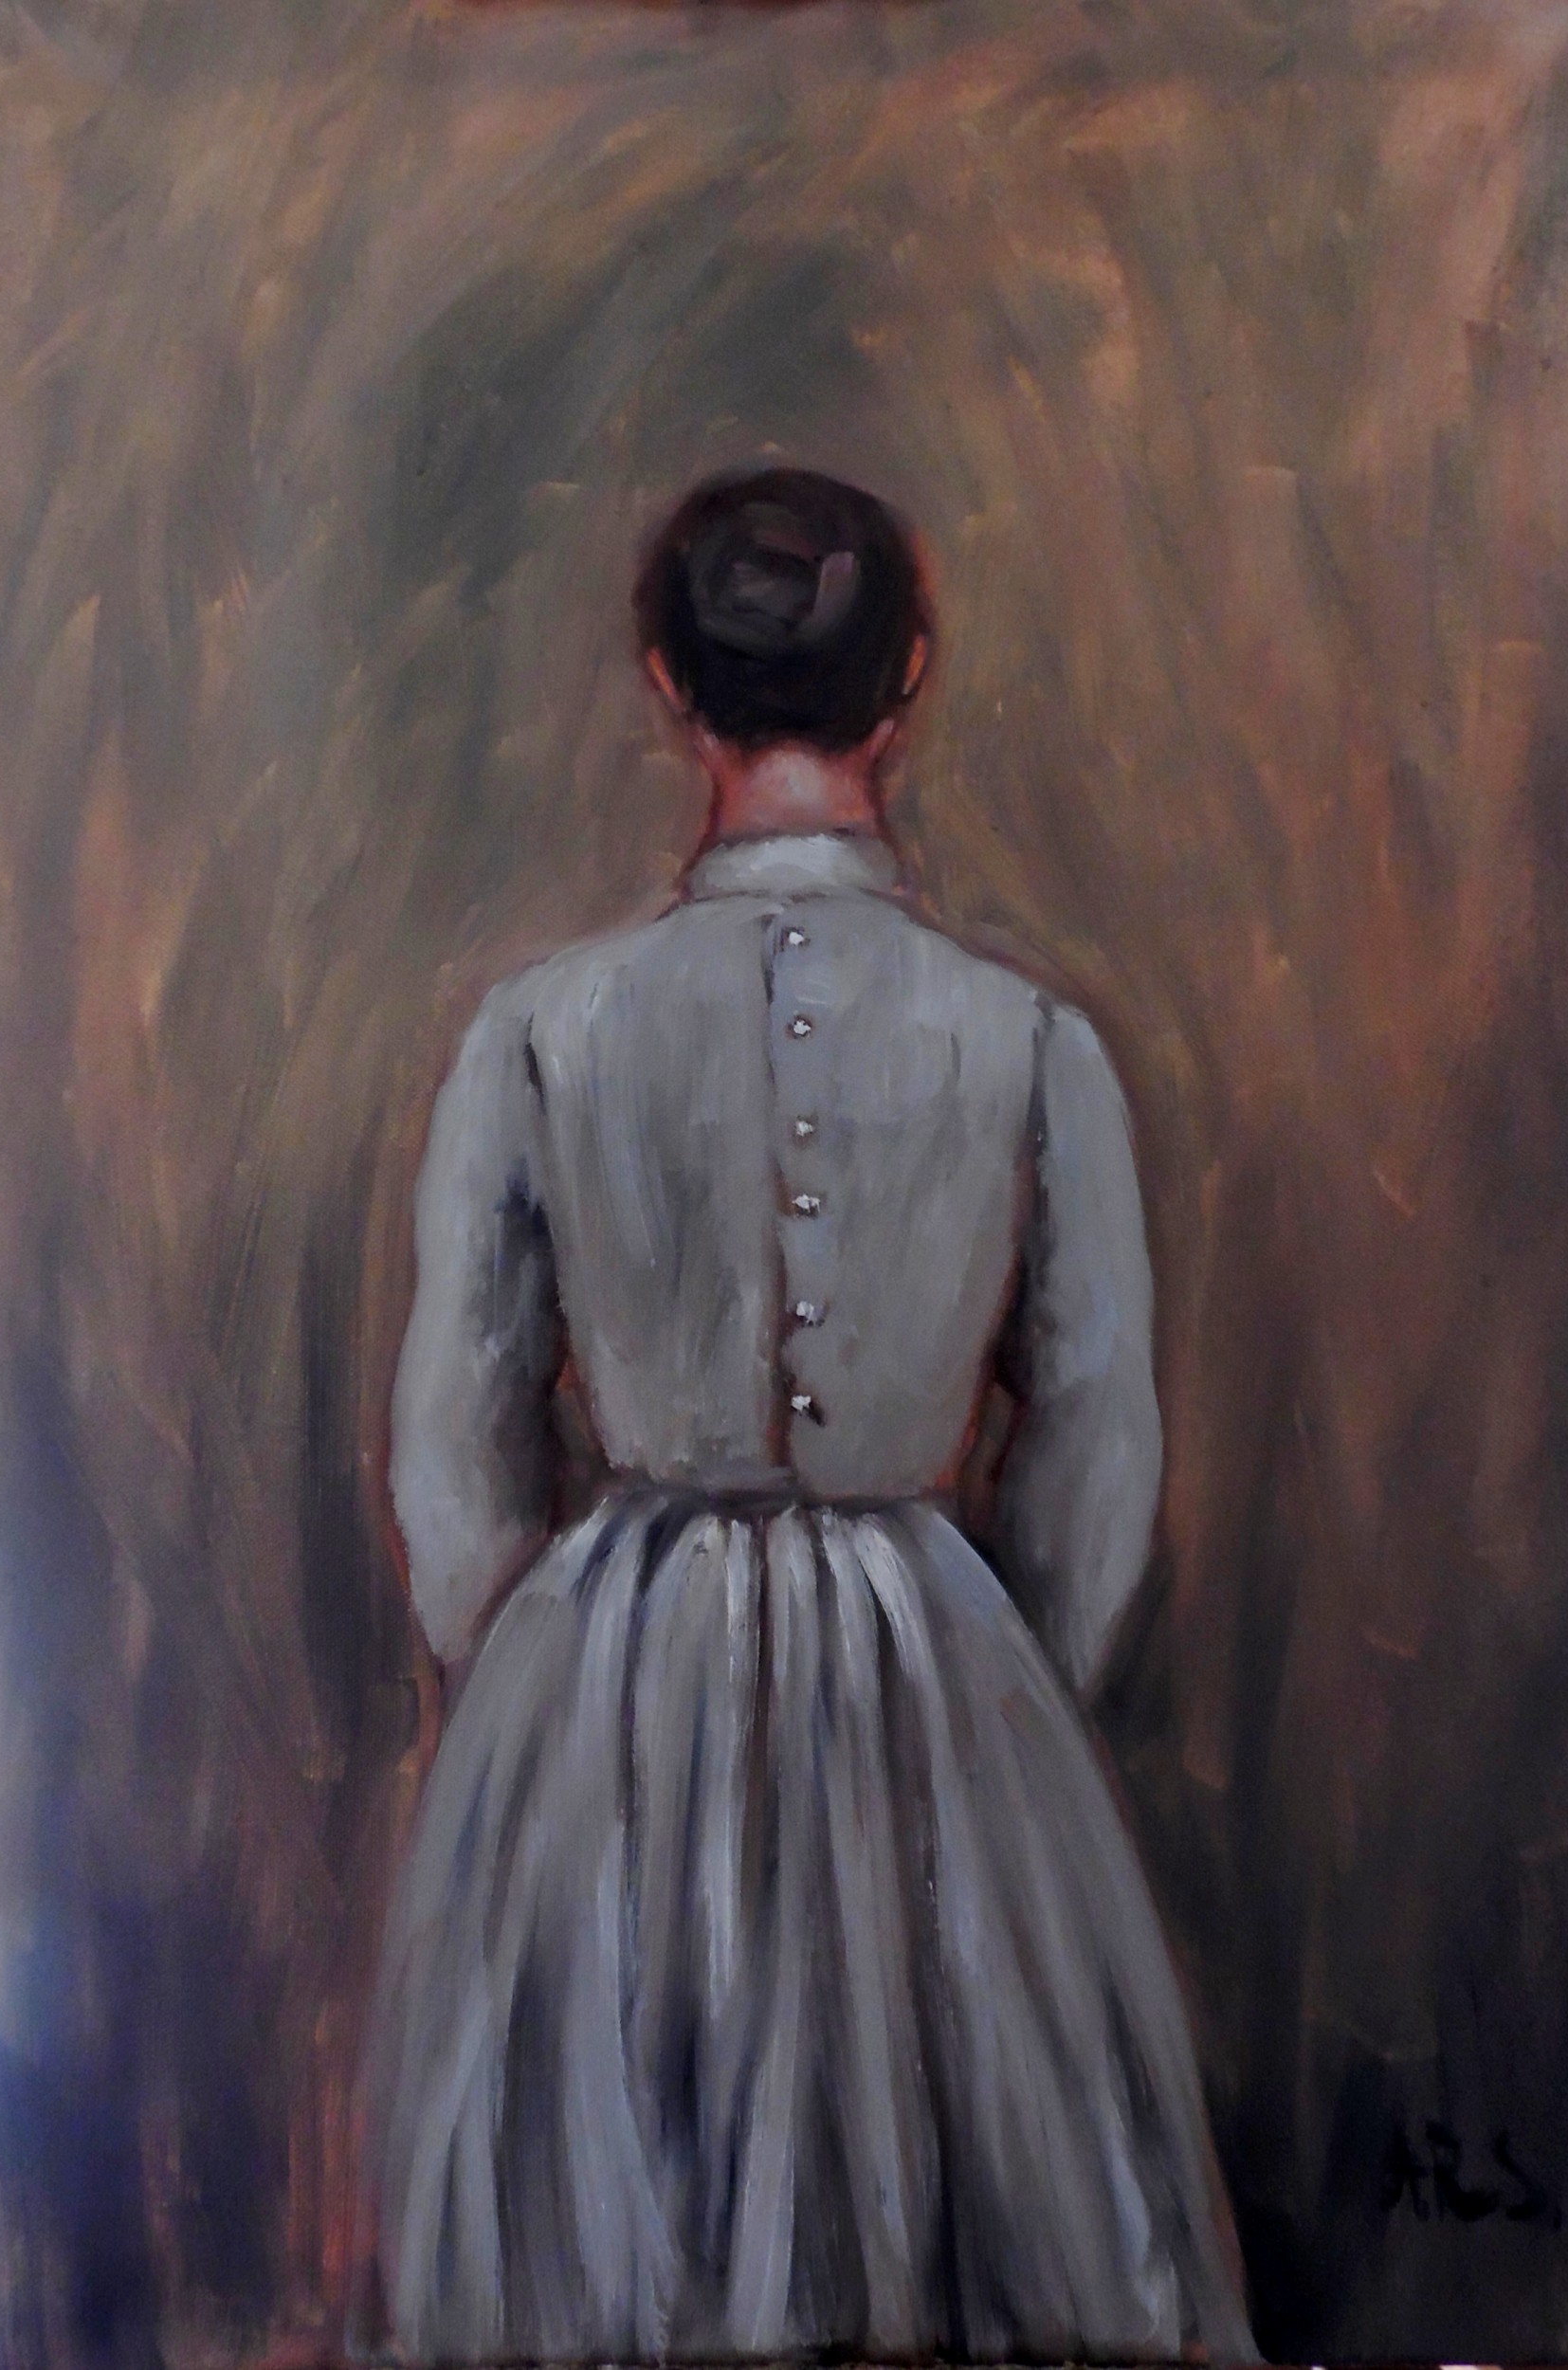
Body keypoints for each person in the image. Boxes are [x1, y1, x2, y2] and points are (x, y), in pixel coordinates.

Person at [364, 467, 1257, 2363]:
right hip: (937, 1670)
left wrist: (539, 1691)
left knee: (606, 2250)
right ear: (907, 677)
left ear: (668, 689)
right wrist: (995, 1684)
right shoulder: (1030, 1042)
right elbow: (1095, 1448)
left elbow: (454, 1448)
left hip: (601, 1690)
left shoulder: (539, 1027)